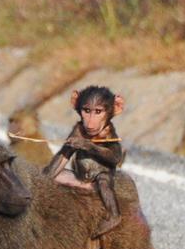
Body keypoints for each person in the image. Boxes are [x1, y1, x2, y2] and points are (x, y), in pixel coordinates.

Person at [44, 85, 125, 237]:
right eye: (87, 111)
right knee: (48, 173)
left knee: (104, 179)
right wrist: (43, 180)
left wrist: (90, 146)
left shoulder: (108, 133)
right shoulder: (79, 130)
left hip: (98, 181)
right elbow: (63, 156)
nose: (90, 122)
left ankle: (114, 215)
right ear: (76, 105)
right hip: (79, 177)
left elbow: (115, 158)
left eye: (98, 112)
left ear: (116, 108)